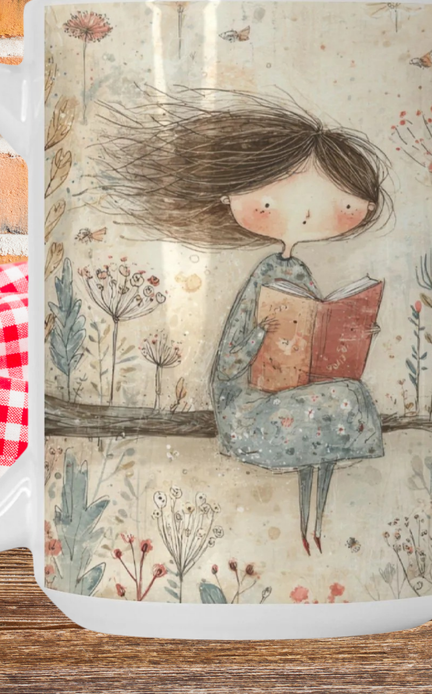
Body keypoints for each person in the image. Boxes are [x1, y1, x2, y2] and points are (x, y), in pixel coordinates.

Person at [96, 89, 391, 555]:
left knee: (348, 394)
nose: (308, 213)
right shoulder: (266, 274)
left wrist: (351, 332)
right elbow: (233, 354)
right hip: (249, 401)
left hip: (291, 388)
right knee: (335, 403)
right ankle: (306, 526)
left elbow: (311, 339)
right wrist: (267, 336)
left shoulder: (295, 271)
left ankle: (315, 522)